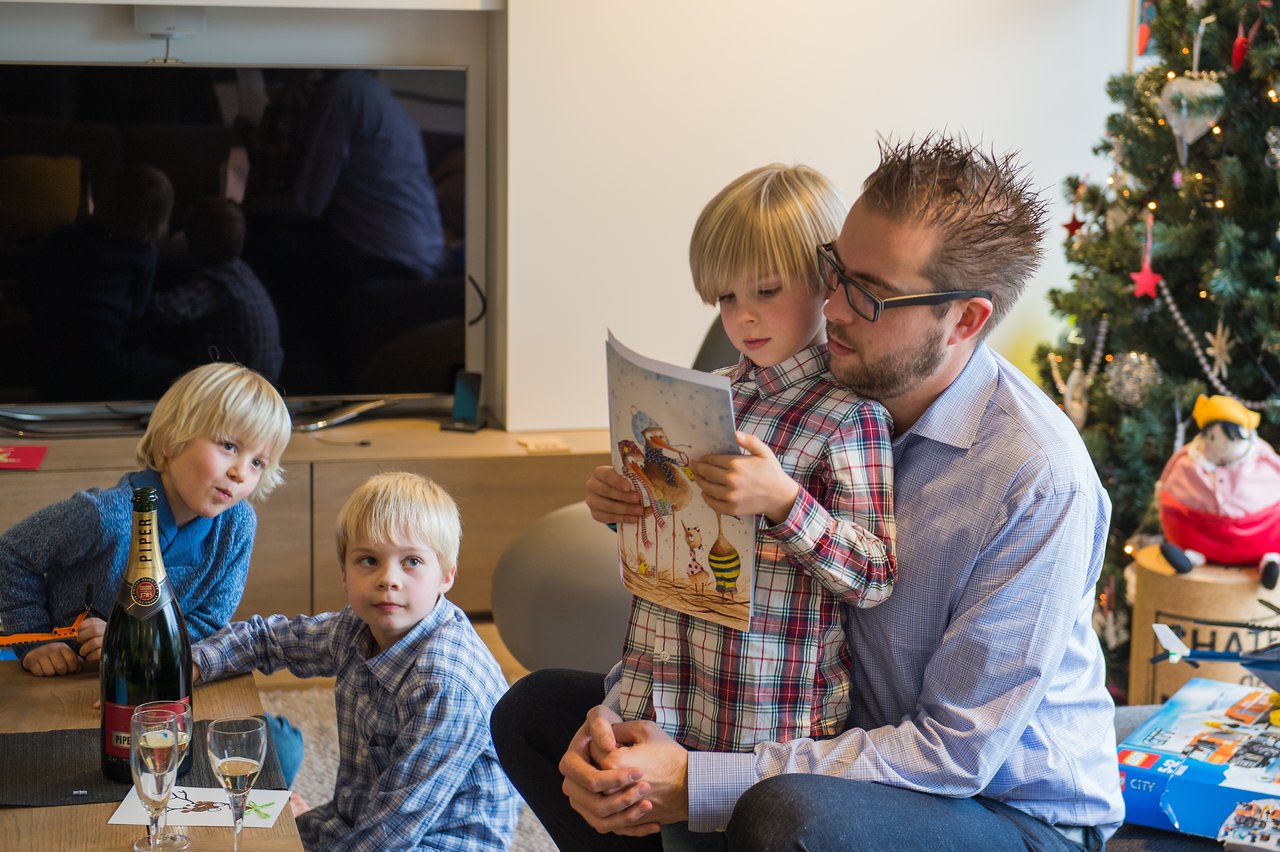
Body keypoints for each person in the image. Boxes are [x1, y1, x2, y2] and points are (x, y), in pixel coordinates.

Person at [491, 134, 1123, 851]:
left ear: (966, 320)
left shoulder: (1036, 479)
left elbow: (953, 755)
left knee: (786, 816)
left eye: (869, 294)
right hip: (813, 722)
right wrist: (622, 721)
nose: (833, 306)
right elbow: (712, 601)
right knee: (538, 715)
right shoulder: (800, 401)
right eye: (832, 270)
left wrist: (698, 778)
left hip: (1004, 810)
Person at [605, 163, 897, 775]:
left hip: (767, 714)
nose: (743, 318)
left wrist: (785, 502)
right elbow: (672, 519)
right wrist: (621, 505)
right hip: (668, 681)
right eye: (726, 298)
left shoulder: (850, 417)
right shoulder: (702, 395)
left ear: (828, 283)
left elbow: (874, 575)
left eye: (765, 292)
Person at [0, 361, 305, 784]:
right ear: (170, 439)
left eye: (258, 462)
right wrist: (33, 642)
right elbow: (11, 555)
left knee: (282, 748)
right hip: (76, 685)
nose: (240, 473)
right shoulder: (103, 516)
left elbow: (209, 622)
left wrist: (143, 647)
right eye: (230, 447)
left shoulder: (238, 526)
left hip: (167, 685)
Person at [191, 471, 519, 851]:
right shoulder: (356, 628)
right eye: (369, 560)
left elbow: (389, 835)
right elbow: (269, 639)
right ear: (344, 574)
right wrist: (191, 663)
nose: (388, 579)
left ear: (446, 575)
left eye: (411, 561)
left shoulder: (446, 685)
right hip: (360, 820)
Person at [31, 162, 184, 401]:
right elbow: (137, 313)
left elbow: (36, 281)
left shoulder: (66, 237)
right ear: (157, 219)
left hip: (47, 359)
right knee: (176, 374)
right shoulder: (144, 255)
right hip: (101, 363)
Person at [150, 195, 285, 381]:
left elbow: (164, 310)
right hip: (265, 379)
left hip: (237, 387)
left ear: (194, 241)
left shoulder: (218, 284)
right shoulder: (242, 273)